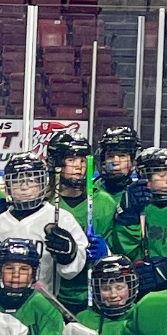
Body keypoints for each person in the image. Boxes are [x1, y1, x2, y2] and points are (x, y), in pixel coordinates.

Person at [0, 156, 88, 307]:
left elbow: (72, 271)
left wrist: (69, 256)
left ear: (43, 184)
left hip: (40, 306)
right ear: (8, 186)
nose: (24, 187)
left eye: (32, 181)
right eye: (16, 181)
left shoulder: (61, 219)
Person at [46, 133, 120, 312]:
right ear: (55, 162)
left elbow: (119, 249)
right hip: (52, 294)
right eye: (71, 160)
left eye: (82, 160)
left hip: (93, 294)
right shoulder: (44, 204)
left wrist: (106, 253)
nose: (78, 167)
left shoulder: (104, 202)